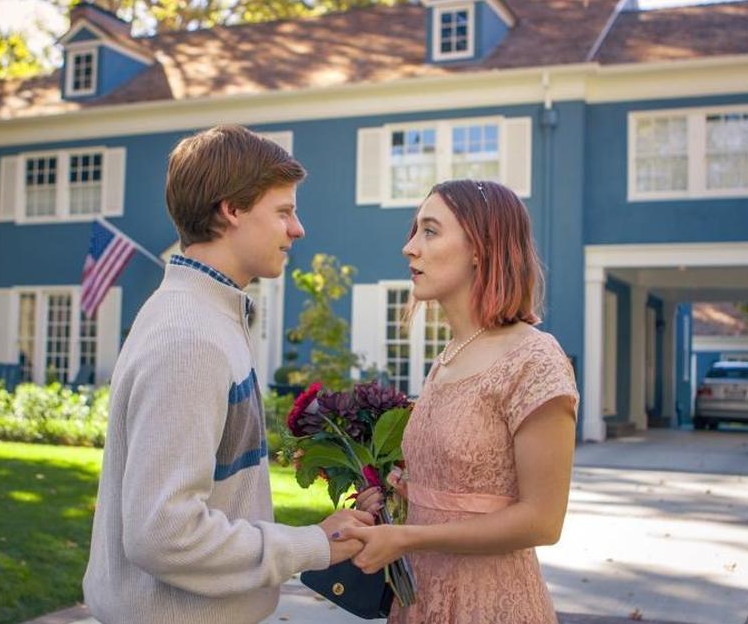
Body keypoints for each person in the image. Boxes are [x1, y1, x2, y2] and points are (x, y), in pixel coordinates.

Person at [83, 125, 372, 624]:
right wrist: (310, 545)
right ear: (231, 209)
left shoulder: (207, 319)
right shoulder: (189, 337)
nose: (297, 228)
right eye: (284, 211)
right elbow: (164, 533)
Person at [349, 179, 579, 623]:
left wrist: (408, 538)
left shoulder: (533, 358)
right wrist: (393, 501)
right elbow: (456, 493)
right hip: (420, 598)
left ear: (481, 247)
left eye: (430, 231)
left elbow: (542, 521)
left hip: (492, 603)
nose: (409, 248)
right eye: (415, 230)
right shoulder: (449, 356)